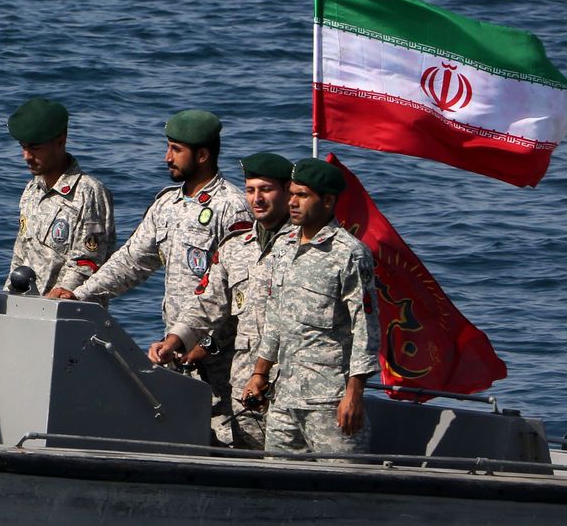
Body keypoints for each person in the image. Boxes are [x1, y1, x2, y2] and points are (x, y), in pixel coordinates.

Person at [73, 109, 250, 444]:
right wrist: (79, 295)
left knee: (230, 444)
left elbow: (239, 295)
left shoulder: (232, 208)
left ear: (202, 155)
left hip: (221, 361)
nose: (167, 157)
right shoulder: (167, 205)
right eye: (168, 147)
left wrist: (207, 346)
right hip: (174, 353)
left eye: (176, 150)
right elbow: (130, 262)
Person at [238, 158, 380, 457]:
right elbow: (275, 316)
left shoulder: (349, 254)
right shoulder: (283, 246)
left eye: (302, 195)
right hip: (283, 398)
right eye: (291, 194)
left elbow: (365, 329)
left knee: (341, 480)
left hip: (328, 401)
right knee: (278, 478)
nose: (292, 202)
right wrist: (260, 374)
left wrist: (354, 394)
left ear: (327, 201)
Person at [151, 152, 293, 451]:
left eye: (266, 190)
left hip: (291, 381)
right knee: (246, 460)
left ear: (287, 191)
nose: (257, 199)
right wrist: (173, 341)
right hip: (244, 381)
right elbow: (207, 304)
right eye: (250, 190)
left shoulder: (304, 248)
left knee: (293, 464)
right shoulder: (235, 246)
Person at [5, 97, 115, 299]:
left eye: (35, 148)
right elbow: (20, 255)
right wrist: (7, 300)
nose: (26, 156)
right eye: (23, 147)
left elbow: (89, 261)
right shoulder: (32, 190)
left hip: (69, 310)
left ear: (60, 142)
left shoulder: (88, 193)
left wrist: (57, 298)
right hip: (27, 308)